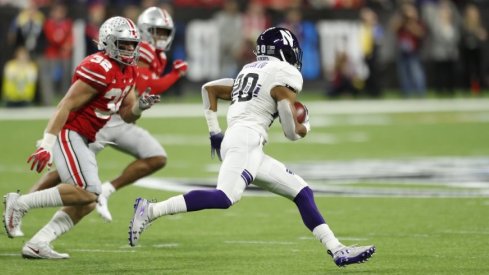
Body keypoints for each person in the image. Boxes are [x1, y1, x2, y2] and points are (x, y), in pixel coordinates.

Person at [128, 27, 375, 267]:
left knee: (301, 192)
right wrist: (304, 127)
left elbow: (209, 89)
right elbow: (290, 131)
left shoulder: (250, 69)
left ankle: (337, 249)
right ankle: (149, 210)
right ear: (284, 51)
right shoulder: (284, 73)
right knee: (225, 197)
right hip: (246, 140)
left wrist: (215, 132)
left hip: (245, 142)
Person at [2, 16, 160, 259]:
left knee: (86, 202)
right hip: (70, 131)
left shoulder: (129, 71)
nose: (130, 49)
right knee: (88, 192)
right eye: (124, 44)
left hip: (86, 137)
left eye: (132, 44)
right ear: (109, 42)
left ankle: (38, 243)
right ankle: (20, 203)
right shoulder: (99, 66)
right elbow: (65, 105)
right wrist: (47, 144)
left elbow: (128, 115)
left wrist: (141, 106)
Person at [26, 6, 188, 224]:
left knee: (156, 158)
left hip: (121, 116)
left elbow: (135, 94)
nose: (161, 37)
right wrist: (176, 75)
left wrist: (140, 106)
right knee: (71, 176)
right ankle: (24, 203)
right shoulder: (136, 54)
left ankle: (106, 190)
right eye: (157, 31)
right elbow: (146, 84)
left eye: (165, 33)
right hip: (104, 120)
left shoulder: (149, 54)